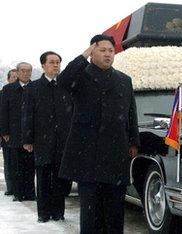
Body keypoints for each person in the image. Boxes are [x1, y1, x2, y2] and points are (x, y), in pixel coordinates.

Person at [57, 34, 140, 234]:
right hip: (88, 154)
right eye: (102, 50)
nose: (107, 54)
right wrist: (82, 56)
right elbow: (63, 81)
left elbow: (131, 113)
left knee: (114, 211)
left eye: (111, 51)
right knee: (91, 211)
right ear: (92, 52)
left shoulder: (123, 80)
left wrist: (133, 142)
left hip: (115, 153)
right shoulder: (80, 75)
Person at [22, 51, 73, 223]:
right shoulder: (33, 87)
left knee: (60, 179)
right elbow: (27, 115)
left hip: (63, 140)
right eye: (51, 62)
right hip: (42, 140)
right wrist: (27, 139)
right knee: (43, 178)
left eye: (58, 62)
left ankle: (58, 212)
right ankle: (43, 213)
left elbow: (73, 113)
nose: (56, 65)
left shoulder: (66, 86)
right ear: (43, 65)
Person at [0, 62, 35, 202]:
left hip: (31, 133)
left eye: (28, 71)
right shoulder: (8, 89)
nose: (26, 73)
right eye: (23, 71)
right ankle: (18, 193)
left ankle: (30, 193)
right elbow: (3, 112)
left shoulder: (35, 87)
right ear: (18, 72)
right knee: (16, 165)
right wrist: (4, 131)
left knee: (30, 165)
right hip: (14, 132)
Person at [1, 69, 19, 196]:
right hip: (7, 133)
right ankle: (11, 187)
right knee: (9, 162)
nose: (15, 79)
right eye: (13, 77)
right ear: (8, 79)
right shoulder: (3, 93)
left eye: (16, 77)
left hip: (20, 133)